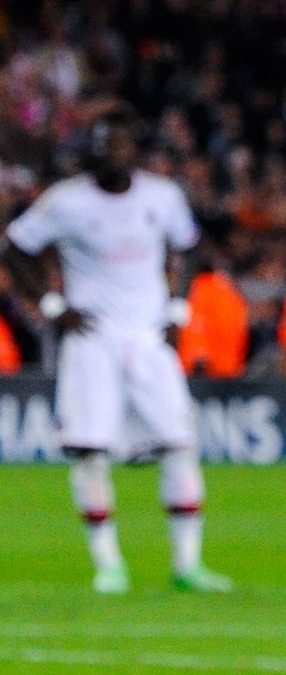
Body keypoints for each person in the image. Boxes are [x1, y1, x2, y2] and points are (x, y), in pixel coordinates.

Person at [1, 108, 232, 594]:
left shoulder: (162, 196)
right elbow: (14, 248)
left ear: (135, 151)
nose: (114, 153)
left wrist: (177, 309)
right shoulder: (65, 202)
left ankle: (188, 565)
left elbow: (187, 246)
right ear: (91, 151)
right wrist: (50, 304)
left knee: (179, 443)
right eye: (105, 144)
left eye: (122, 144)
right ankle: (109, 565)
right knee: (89, 450)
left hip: (149, 336)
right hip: (92, 339)